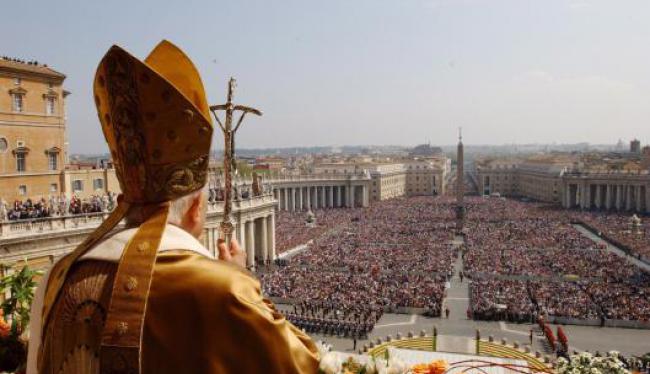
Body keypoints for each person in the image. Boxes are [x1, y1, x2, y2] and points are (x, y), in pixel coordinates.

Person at [27, 41, 318, 374]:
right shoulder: (221, 290)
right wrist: (241, 279)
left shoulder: (59, 275)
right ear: (196, 208)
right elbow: (302, 363)